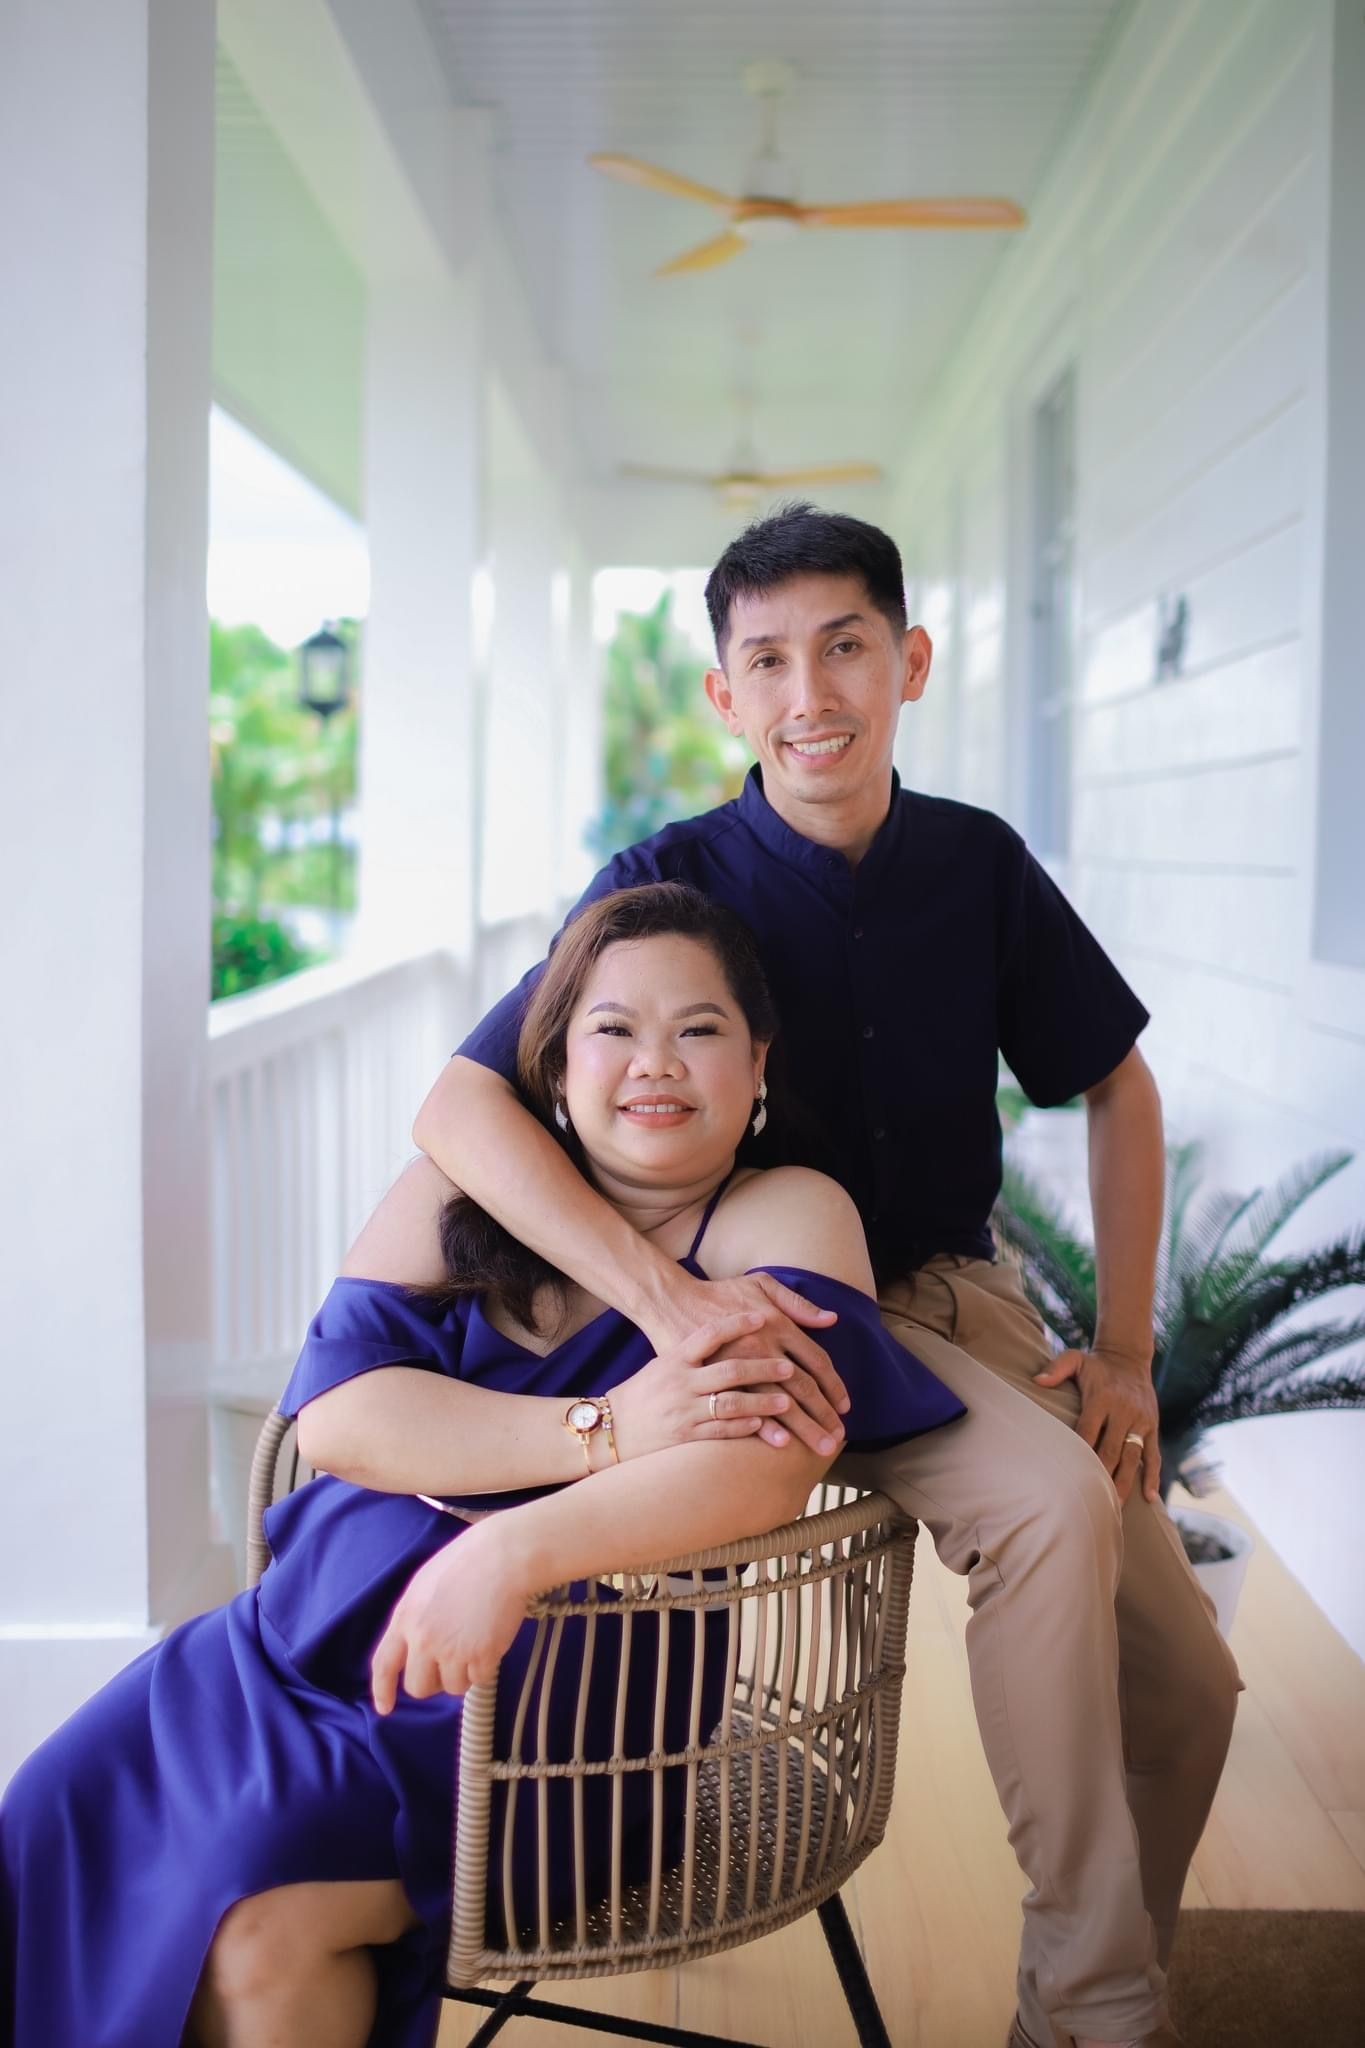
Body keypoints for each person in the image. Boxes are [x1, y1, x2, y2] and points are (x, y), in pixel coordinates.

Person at [410, 504, 1242, 2048]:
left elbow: (1116, 1085)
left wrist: (1123, 1349)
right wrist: (663, 1302)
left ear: (909, 662)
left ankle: (1077, 1997)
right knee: (1046, 1506)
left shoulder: (978, 864)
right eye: (769, 661)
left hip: (965, 1302)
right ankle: (1104, 2015)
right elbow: (460, 1107)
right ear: (723, 694)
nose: (812, 694)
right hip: (777, 1324)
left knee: (1192, 1690)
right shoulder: (661, 881)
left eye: (845, 647)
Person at [0, 882, 963, 2048]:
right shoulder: (472, 1184)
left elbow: (761, 1468)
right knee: (50, 1813)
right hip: (286, 1646)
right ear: (553, 1066)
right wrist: (608, 1425)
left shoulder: (785, 1214)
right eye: (613, 1028)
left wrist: (508, 1550)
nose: (655, 1061)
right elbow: (339, 1416)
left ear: (758, 1064)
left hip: (551, 1718)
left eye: (699, 1028)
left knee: (258, 1928)